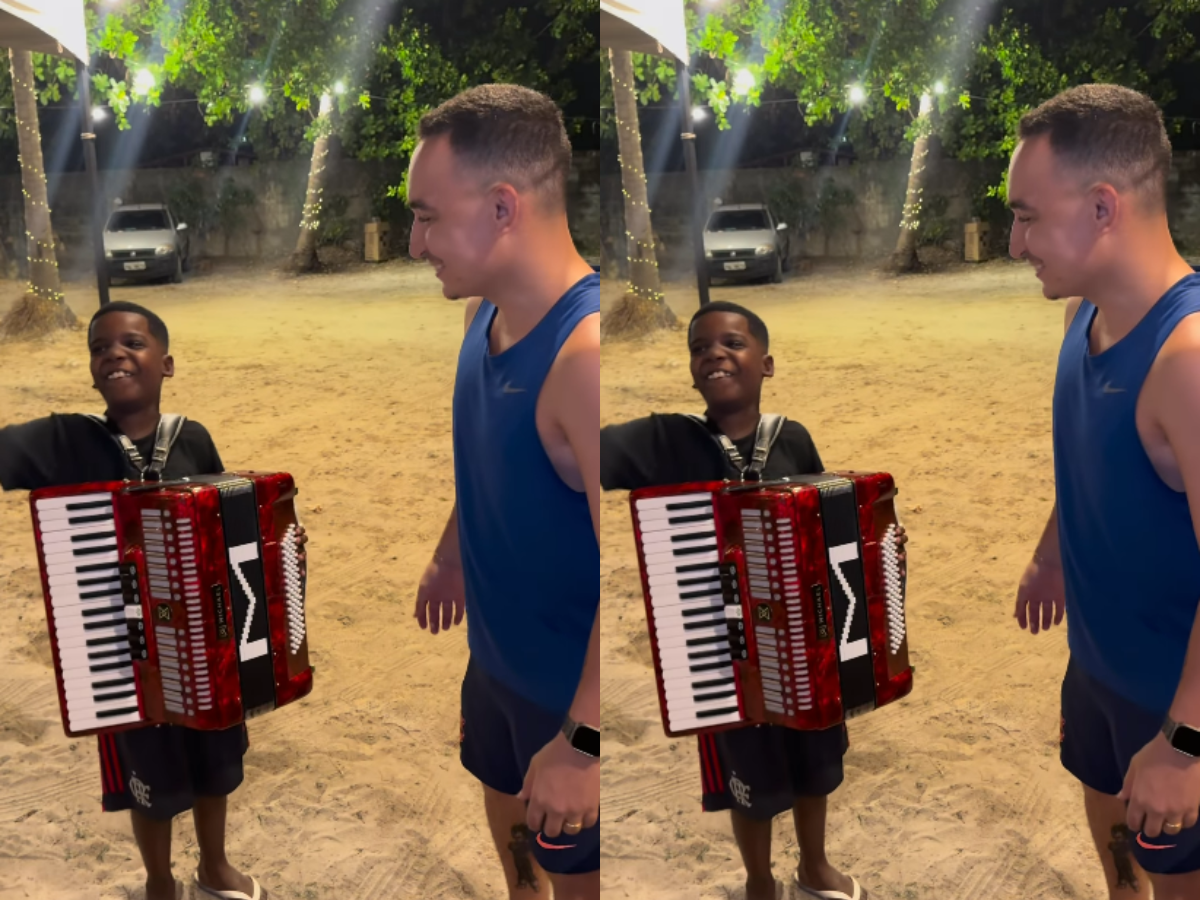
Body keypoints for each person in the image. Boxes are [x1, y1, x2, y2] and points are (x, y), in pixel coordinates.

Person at [601, 301, 905, 900]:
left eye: (733, 343)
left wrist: (879, 552)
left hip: (805, 650)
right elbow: (579, 450)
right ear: (693, 371)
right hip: (721, 656)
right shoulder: (665, 439)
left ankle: (814, 867)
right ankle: (759, 881)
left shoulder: (793, 439)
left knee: (816, 759)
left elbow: (833, 529)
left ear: (766, 364)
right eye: (700, 348)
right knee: (749, 780)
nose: (714, 354)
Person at [0, 300, 302, 900]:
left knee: (216, 759)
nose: (114, 354)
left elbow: (233, 526)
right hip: (121, 657)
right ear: (93, 371)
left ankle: (214, 867)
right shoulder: (66, 440)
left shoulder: (193, 438)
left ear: (166, 364)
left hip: (205, 651)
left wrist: (278, 550)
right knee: (148, 781)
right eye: (100, 348)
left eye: (132, 343)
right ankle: (159, 882)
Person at [407, 84, 600, 900]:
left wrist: (585, 743)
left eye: (427, 217)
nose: (415, 243)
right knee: (514, 843)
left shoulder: (583, 359)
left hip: (566, 699)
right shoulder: (480, 314)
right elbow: (488, 459)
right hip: (494, 666)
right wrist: (452, 553)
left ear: (501, 208)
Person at [1009, 83, 1200, 900]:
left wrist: (1186, 745)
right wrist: (1052, 553)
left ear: (1101, 208)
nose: (1015, 243)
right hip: (1097, 667)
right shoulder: (1080, 316)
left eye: (1027, 217)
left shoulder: (1186, 359)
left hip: (1172, 698)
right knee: (1111, 828)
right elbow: (1090, 458)